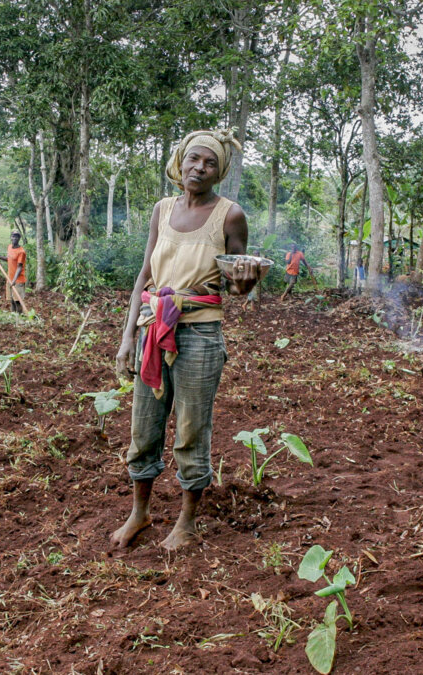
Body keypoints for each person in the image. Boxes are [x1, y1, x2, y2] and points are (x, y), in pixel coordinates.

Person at [113, 129, 260, 551]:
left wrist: (246, 284)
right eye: (194, 159)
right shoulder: (162, 209)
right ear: (181, 160)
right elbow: (145, 276)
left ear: (220, 172)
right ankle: (139, 514)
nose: (200, 167)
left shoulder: (230, 215)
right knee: (144, 427)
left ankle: (186, 522)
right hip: (152, 330)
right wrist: (127, 338)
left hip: (199, 334)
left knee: (192, 430)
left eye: (210, 163)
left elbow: (237, 284)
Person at [0, 231, 28, 313]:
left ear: (19, 238)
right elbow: (9, 259)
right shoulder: (9, 247)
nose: (14, 238)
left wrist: (14, 280)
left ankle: (19, 317)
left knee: (17, 301)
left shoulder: (21, 252)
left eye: (17, 237)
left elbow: (19, 267)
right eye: (13, 236)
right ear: (11, 237)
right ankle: (13, 316)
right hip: (9, 278)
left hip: (18, 280)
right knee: (12, 300)